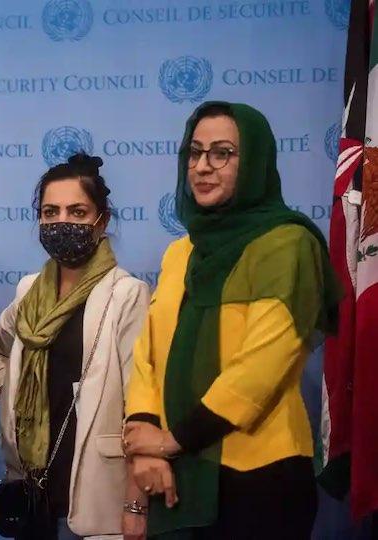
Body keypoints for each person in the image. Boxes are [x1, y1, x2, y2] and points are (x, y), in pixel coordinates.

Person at [122, 102, 341, 539]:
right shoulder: (181, 252)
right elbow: (148, 353)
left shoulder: (286, 244)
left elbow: (261, 368)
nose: (203, 167)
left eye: (222, 153)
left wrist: (170, 441)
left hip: (259, 476)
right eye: (195, 152)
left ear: (255, 161)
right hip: (179, 472)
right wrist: (144, 434)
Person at [0, 153, 151, 539]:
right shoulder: (30, 292)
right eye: (50, 211)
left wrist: (136, 504)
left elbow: (140, 406)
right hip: (31, 493)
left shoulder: (127, 295)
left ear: (101, 220)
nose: (62, 222)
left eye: (77, 212)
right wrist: (10, 389)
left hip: (94, 498)